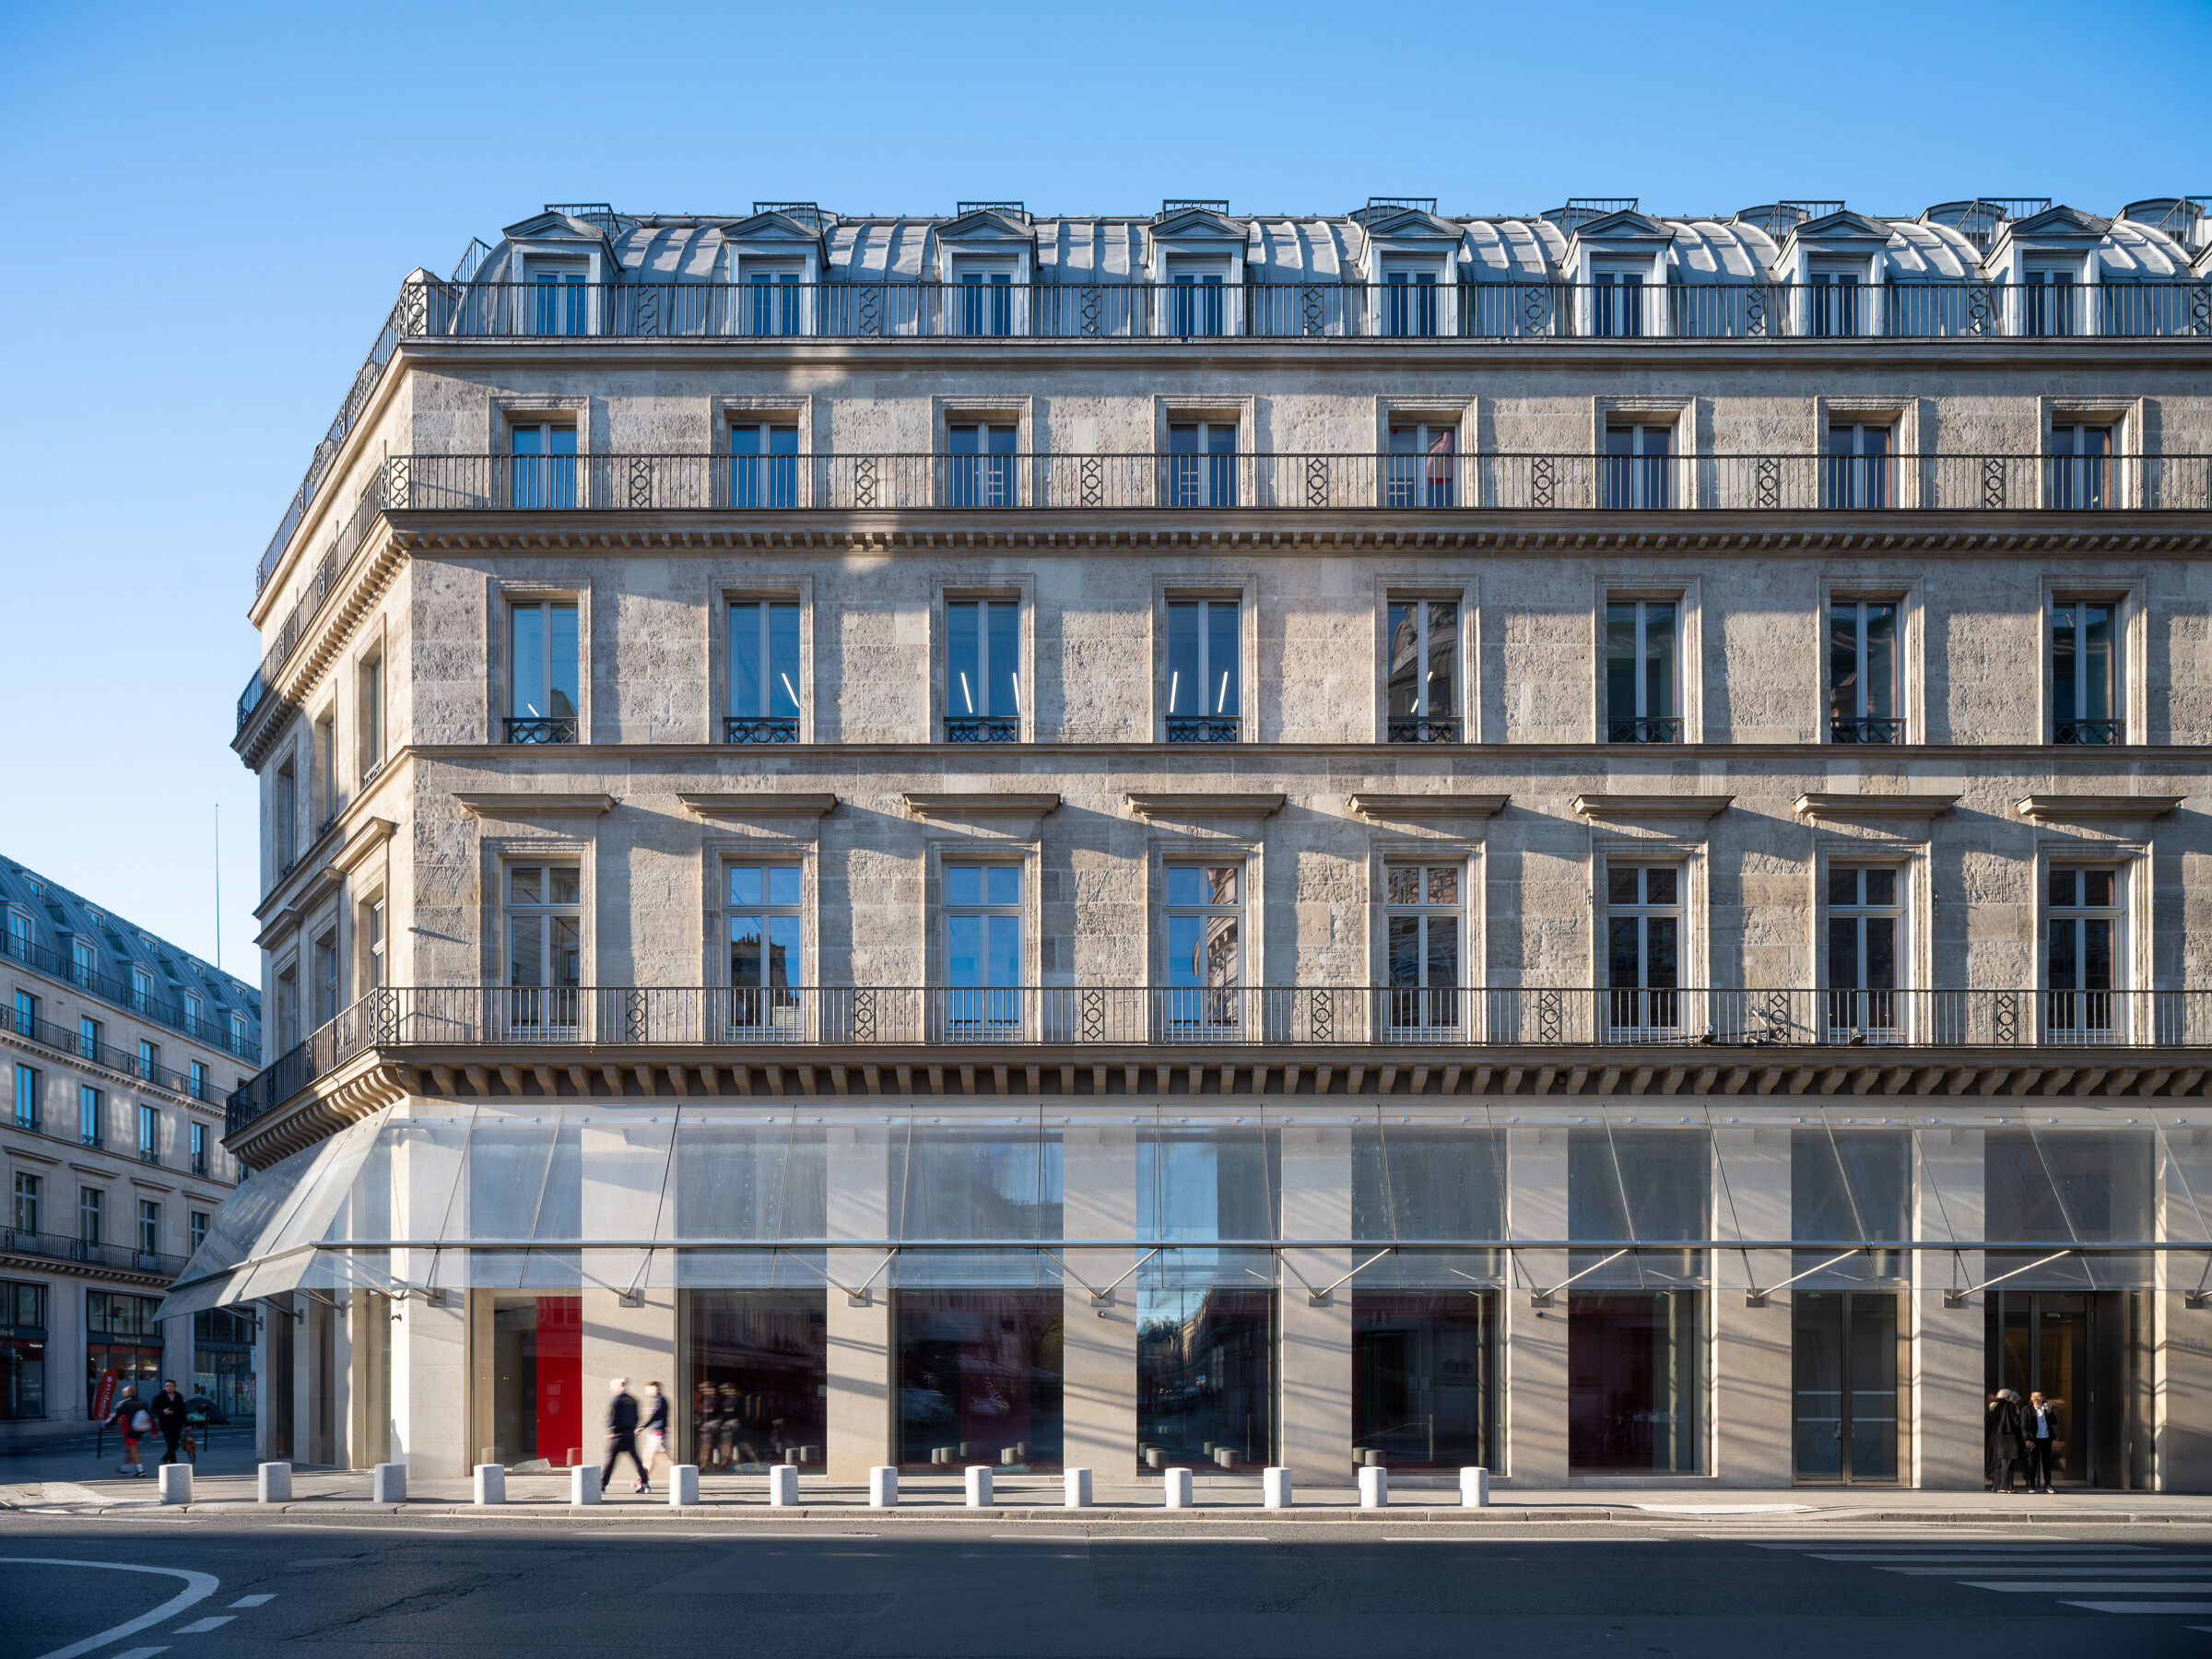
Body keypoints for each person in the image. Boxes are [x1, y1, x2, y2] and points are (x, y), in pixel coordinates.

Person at [602, 1377, 649, 1495]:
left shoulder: (615, 1399)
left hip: (618, 1435)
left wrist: (611, 1430)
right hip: (629, 1434)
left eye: (613, 1386)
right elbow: (637, 1417)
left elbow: (611, 1417)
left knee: (610, 1460)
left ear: (618, 1386)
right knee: (636, 1460)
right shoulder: (633, 1399)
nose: (612, 1388)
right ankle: (645, 1483)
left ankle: (602, 1484)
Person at [1985, 1387, 2026, 1495]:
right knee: (2008, 1463)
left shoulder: (1993, 1405)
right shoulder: (2009, 1405)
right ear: (2008, 1396)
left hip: (1996, 1437)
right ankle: (2006, 1487)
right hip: (2008, 1438)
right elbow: (2016, 1422)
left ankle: (1997, 1486)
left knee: (1998, 1464)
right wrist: (2017, 1413)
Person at [109, 1384, 153, 1477]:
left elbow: (114, 1417)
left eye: (124, 1392)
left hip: (128, 1430)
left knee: (133, 1450)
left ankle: (141, 1470)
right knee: (129, 1449)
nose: (123, 1393)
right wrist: (154, 1430)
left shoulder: (123, 1403)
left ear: (128, 1392)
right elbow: (150, 1417)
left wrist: (106, 1424)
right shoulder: (142, 1402)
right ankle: (125, 1468)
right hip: (139, 1430)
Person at [2024, 1390, 2062, 1493]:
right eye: (2034, 1396)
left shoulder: (2047, 1408)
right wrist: (2027, 1440)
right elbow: (2024, 1426)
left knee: (2047, 1462)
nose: (2036, 1398)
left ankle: (2048, 1485)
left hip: (2046, 1439)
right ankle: (2031, 1485)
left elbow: (2054, 1422)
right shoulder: (2027, 1409)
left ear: (2043, 1398)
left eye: (2038, 1396)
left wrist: (2050, 1411)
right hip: (2034, 1440)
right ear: (2031, 1398)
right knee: (2033, 1463)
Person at [149, 1380, 189, 1466]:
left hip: (177, 1423)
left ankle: (166, 1457)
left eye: (171, 1386)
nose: (169, 1387)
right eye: (167, 1386)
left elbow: (182, 1410)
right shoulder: (159, 1397)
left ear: (174, 1387)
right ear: (164, 1387)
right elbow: (153, 1409)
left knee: (176, 1444)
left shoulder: (178, 1396)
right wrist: (163, 1411)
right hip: (166, 1424)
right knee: (170, 1443)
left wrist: (187, 1424)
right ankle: (173, 1462)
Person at [639, 1382, 673, 1482]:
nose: (647, 1391)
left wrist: (643, 1426)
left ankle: (683, 1476)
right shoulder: (658, 1400)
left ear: (656, 1389)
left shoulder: (660, 1400)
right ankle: (643, 1479)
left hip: (657, 1434)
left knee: (665, 1459)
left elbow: (656, 1416)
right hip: (653, 1433)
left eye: (649, 1389)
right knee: (647, 1457)